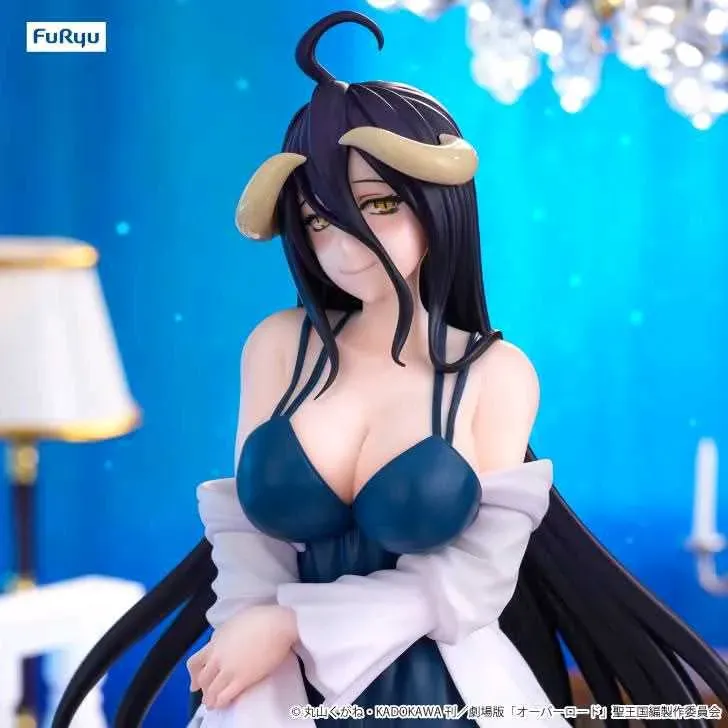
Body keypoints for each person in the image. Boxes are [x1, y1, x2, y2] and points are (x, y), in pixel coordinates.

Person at [52, 10, 728, 728]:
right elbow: (248, 534)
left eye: (378, 204)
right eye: (317, 220)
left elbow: (475, 575)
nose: (345, 247)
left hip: (446, 693)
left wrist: (295, 623)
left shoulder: (494, 374)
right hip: (272, 685)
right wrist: (256, 639)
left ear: (438, 204)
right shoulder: (279, 347)